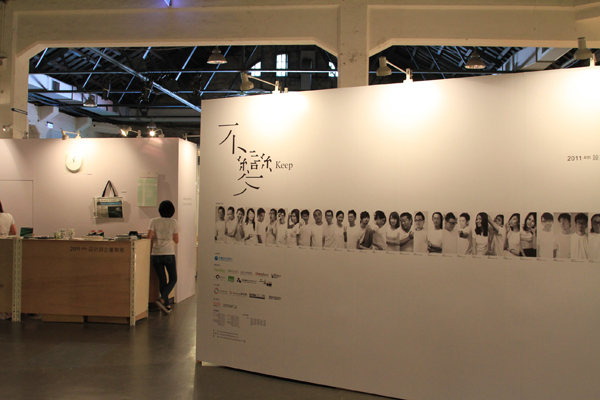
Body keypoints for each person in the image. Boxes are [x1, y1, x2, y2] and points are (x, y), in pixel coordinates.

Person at [148, 200, 179, 314]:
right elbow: (176, 240)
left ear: (160, 210)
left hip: (156, 254)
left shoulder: (154, 221)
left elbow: (149, 237)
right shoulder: (173, 222)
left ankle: (166, 305)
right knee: (173, 279)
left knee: (162, 280)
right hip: (168, 253)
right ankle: (162, 299)